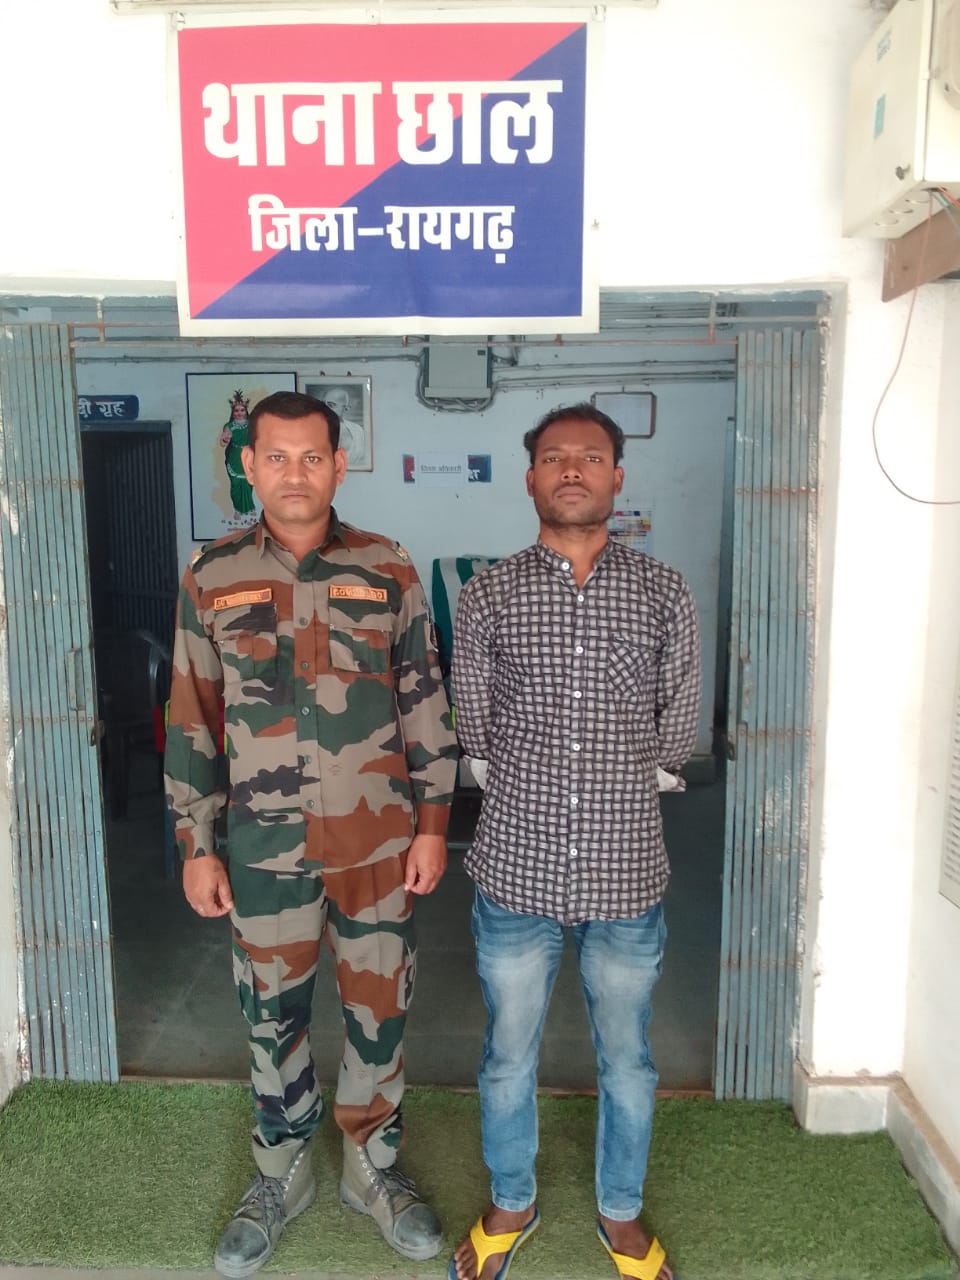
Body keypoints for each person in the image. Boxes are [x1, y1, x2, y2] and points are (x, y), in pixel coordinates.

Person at [164, 390, 458, 1280]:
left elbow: (422, 698)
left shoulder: (386, 567)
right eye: (277, 457)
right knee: (271, 1013)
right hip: (263, 850)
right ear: (249, 468)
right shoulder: (211, 575)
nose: (295, 473)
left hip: (379, 846)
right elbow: (191, 714)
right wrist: (196, 843)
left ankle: (373, 1165)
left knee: (380, 1008)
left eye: (313, 456)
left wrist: (434, 825)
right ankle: (280, 1171)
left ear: (340, 464)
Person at [448, 404, 701, 1280]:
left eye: (590, 457)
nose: (570, 470)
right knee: (506, 1053)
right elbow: (475, 726)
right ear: (530, 478)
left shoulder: (663, 592)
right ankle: (512, 1199)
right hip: (515, 866)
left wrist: (619, 785)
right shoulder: (489, 594)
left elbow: (676, 729)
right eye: (553, 457)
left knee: (627, 1057)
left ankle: (619, 1212)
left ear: (616, 476)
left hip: (626, 870)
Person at [322, 386, 368, 468]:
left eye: (331, 405)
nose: (324, 409)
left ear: (346, 408)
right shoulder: (313, 429)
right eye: (322, 404)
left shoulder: (357, 430)